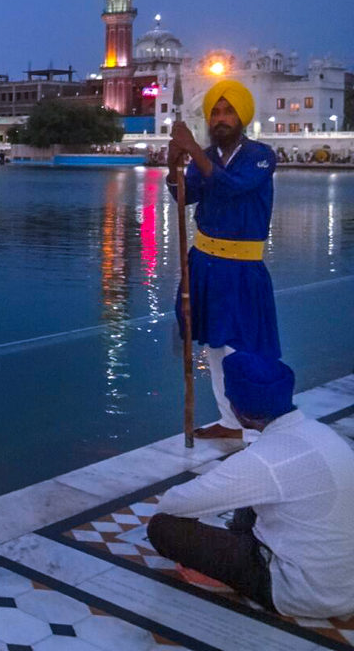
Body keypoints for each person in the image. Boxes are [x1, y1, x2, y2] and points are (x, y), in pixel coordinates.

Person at [148, 353, 354, 619]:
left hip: (305, 591)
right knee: (253, 495)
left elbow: (173, 504)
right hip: (344, 580)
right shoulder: (321, 433)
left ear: (237, 409)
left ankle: (233, 581)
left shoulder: (263, 459)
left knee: (163, 527)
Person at [167, 78, 279, 440]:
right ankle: (230, 421)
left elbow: (235, 188)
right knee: (215, 346)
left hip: (242, 269)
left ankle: (256, 425)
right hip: (206, 263)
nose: (220, 118)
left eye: (228, 111)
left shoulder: (260, 156)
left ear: (242, 116)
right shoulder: (208, 158)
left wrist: (193, 151)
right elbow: (185, 198)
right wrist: (173, 166)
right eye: (215, 111)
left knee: (243, 348)